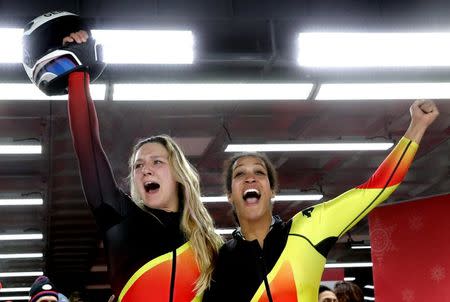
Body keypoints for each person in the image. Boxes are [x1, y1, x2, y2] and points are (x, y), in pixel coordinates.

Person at [22, 12, 222, 302]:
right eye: (138, 165)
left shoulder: (213, 245)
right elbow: (88, 148)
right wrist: (78, 73)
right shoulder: (120, 219)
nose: (145, 171)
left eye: (156, 162)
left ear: (178, 173)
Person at [203, 99, 439, 301]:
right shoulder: (216, 260)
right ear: (229, 195)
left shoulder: (310, 227)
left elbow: (374, 189)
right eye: (240, 174)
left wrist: (417, 126)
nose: (250, 178)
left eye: (259, 172)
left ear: (272, 190)